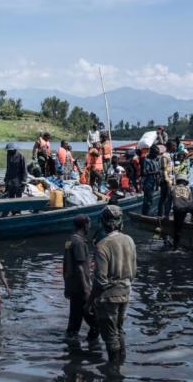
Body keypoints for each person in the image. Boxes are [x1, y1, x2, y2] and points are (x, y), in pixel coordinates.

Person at [88, 205, 136, 366]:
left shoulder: (102, 245)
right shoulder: (129, 240)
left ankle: (113, 371)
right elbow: (134, 272)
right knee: (119, 330)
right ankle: (121, 363)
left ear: (103, 222)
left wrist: (89, 302)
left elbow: (100, 280)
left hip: (108, 297)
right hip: (126, 291)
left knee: (110, 336)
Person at [63, 215, 99, 341]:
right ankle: (92, 350)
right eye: (89, 224)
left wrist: (67, 286)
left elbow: (66, 265)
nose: (90, 226)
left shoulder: (70, 240)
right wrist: (87, 290)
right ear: (85, 225)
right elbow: (80, 268)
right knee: (96, 322)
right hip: (80, 288)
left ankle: (72, 351)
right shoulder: (79, 243)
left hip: (73, 287)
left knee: (74, 321)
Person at [170, 174, 193, 250]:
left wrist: (166, 215)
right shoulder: (188, 189)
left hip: (177, 209)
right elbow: (191, 202)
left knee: (176, 227)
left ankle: (175, 245)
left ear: (178, 181)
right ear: (184, 182)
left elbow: (168, 203)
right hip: (185, 209)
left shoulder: (172, 189)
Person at [158, 141, 176, 218]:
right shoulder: (165, 156)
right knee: (163, 198)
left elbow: (171, 170)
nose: (175, 147)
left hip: (171, 180)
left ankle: (166, 214)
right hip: (166, 181)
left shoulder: (170, 155)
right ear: (169, 147)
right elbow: (164, 170)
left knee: (169, 198)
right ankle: (160, 214)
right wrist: (167, 181)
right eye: (174, 146)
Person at [141, 146, 160, 216]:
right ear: (152, 153)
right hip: (148, 182)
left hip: (154, 183)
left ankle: (149, 213)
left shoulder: (156, 160)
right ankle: (145, 215)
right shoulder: (146, 160)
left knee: (151, 199)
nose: (157, 155)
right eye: (156, 153)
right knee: (147, 199)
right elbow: (145, 172)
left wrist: (158, 183)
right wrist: (155, 172)